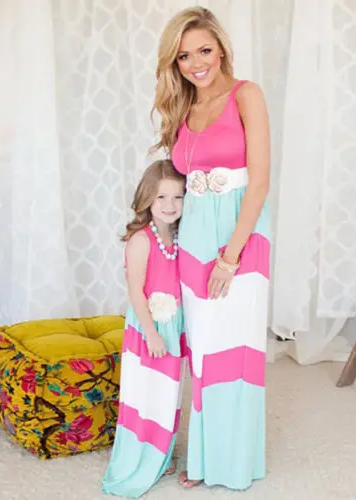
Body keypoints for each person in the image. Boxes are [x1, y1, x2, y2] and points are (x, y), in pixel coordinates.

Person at [151, 6, 271, 492]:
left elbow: (259, 183)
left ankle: (232, 462)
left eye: (204, 50)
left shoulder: (247, 95)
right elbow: (178, 183)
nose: (196, 63)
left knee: (234, 351)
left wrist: (230, 257)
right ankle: (202, 458)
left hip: (238, 238)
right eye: (184, 56)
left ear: (221, 49)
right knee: (201, 351)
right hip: (194, 239)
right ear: (174, 62)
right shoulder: (183, 108)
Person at [102, 160, 187, 498]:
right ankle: (142, 453)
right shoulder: (141, 240)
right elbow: (136, 291)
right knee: (146, 394)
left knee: (168, 394)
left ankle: (161, 450)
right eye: (161, 197)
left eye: (177, 197)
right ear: (147, 199)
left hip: (172, 326)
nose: (170, 205)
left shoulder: (179, 236)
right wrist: (151, 332)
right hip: (149, 328)